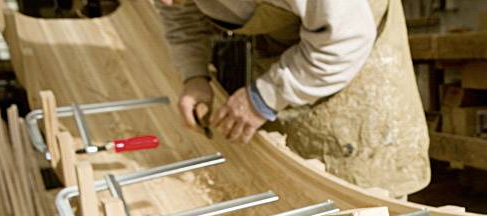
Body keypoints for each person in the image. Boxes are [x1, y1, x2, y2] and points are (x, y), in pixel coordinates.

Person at [155, 0, 430, 198]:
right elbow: (179, 13)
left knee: (363, 182)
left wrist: (264, 96)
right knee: (299, 185)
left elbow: (344, 39)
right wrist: (194, 75)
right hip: (294, 36)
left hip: (349, 38)